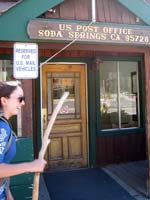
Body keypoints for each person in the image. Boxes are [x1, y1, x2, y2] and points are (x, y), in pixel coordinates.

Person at [0, 80, 47, 200]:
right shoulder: (1, 128)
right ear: (4, 100)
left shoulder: (4, 125)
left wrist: (7, 192)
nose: (23, 103)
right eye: (20, 98)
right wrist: (31, 166)